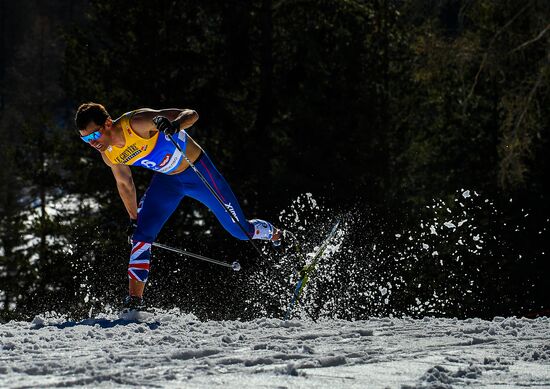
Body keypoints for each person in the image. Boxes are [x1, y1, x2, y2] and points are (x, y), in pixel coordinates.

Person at [75, 103, 281, 309]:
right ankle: (134, 302)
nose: (92, 143)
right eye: (85, 140)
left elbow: (192, 114)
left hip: (198, 173)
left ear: (108, 123)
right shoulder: (109, 153)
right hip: (168, 182)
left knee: (240, 230)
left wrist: (175, 126)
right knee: (141, 234)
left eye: (93, 136)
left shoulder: (137, 123)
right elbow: (124, 184)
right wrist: (133, 218)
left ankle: (276, 234)